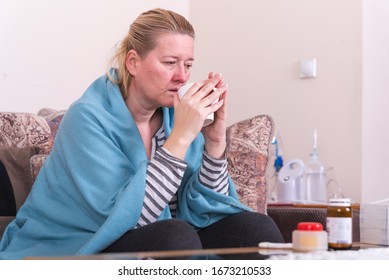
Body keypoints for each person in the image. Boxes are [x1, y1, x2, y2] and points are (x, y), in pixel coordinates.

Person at [0, 8, 283, 260]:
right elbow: (127, 220)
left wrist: (214, 142)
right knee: (174, 237)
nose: (182, 77)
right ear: (133, 62)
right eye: (170, 62)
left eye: (188, 65)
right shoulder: (88, 118)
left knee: (257, 228)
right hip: (81, 243)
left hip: (162, 239)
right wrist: (181, 139)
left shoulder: (175, 117)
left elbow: (208, 211)